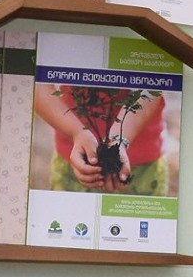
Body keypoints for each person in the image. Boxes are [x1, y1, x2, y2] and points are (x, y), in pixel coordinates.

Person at [32, 80, 169, 195]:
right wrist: (76, 132)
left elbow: (153, 84)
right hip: (74, 158)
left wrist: (119, 139)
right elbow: (36, 85)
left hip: (142, 164)